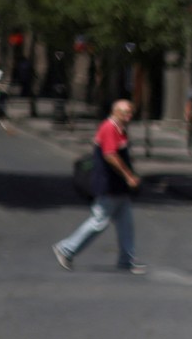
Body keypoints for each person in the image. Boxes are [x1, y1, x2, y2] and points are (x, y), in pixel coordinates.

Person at [52, 99, 145, 275]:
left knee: (126, 224)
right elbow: (110, 155)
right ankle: (66, 249)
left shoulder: (119, 129)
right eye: (126, 113)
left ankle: (126, 259)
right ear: (115, 111)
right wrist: (128, 176)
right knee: (98, 221)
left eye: (131, 113)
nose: (130, 116)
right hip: (108, 184)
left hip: (118, 186)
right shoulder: (109, 128)